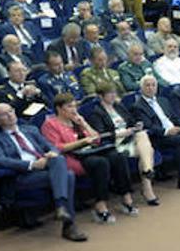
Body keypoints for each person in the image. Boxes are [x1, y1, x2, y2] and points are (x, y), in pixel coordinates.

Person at [0, 103, 86, 241]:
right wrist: (31, 165)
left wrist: (52, 152)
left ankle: (62, 210)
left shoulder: (30, 129)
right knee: (68, 176)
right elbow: (0, 160)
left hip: (45, 168)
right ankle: (67, 222)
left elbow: (51, 146)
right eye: (4, 114)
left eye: (11, 111)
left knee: (59, 159)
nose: (10, 115)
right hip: (22, 176)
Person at [41, 92, 138, 222]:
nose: (74, 109)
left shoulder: (77, 120)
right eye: (69, 106)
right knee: (100, 163)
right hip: (72, 156)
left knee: (117, 157)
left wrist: (84, 123)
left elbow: (97, 139)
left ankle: (127, 199)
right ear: (59, 108)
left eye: (75, 106)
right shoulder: (50, 124)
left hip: (90, 151)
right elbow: (57, 147)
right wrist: (82, 142)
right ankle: (100, 206)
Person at [132, 75, 180, 190]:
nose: (151, 88)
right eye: (147, 85)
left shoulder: (163, 100)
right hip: (159, 137)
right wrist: (167, 131)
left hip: (175, 129)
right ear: (141, 88)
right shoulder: (138, 106)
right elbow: (149, 127)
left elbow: (174, 117)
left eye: (153, 85)